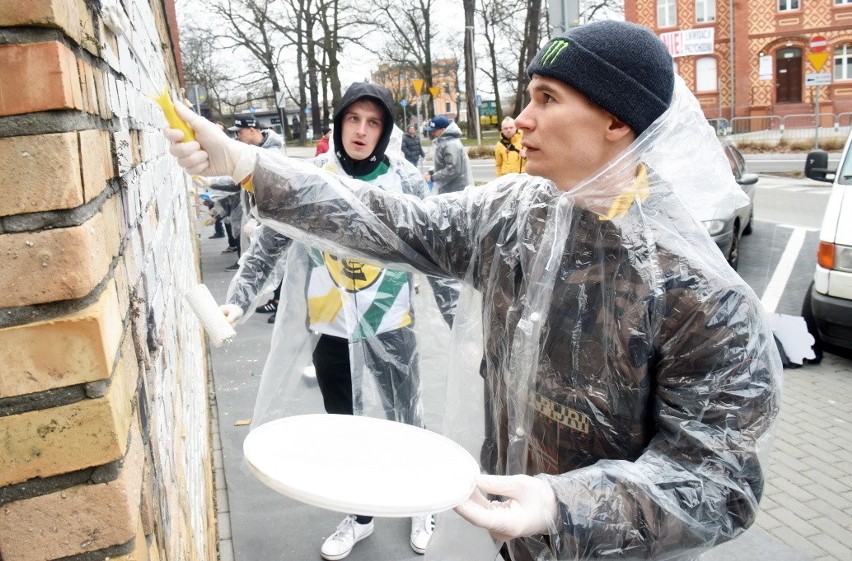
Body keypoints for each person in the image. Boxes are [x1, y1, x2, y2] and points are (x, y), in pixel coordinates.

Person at [165, 20, 782, 561]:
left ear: (618, 120)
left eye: (547, 98)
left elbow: (715, 483)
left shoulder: (704, 298)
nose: (520, 120)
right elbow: (392, 220)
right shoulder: (518, 214)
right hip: (507, 540)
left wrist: (559, 507)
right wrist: (249, 167)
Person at [218, 83, 439, 560]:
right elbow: (269, 245)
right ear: (339, 123)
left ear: (386, 130)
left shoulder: (404, 180)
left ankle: (422, 503)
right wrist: (238, 299)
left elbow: (438, 251)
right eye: (353, 119)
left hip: (390, 322)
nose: (361, 131)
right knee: (346, 426)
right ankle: (360, 514)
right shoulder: (312, 177)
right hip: (332, 327)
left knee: (407, 420)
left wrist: (458, 320)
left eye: (373, 122)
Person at [422, 116, 473, 194]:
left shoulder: (450, 144)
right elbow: (442, 164)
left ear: (443, 130)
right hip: (450, 189)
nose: (432, 133)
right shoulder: (445, 142)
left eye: (435, 131)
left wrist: (432, 178)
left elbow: (452, 169)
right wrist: (431, 172)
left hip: (455, 190)